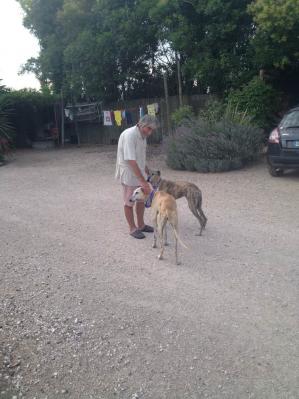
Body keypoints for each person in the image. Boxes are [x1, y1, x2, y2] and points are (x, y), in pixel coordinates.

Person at [115, 114, 158, 239]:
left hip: (138, 171)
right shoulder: (130, 135)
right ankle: (132, 228)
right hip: (129, 172)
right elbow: (131, 160)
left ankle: (141, 225)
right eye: (148, 129)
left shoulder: (143, 136)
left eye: (152, 130)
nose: (150, 132)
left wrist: (147, 171)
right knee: (130, 200)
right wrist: (143, 181)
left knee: (141, 198)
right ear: (141, 124)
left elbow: (140, 158)